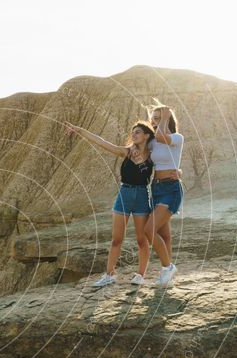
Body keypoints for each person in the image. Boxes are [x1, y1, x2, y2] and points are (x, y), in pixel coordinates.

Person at [65, 120, 155, 286]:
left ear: (146, 136)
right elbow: (102, 142)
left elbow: (169, 156)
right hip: (124, 194)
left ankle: (140, 275)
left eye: (137, 132)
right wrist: (80, 130)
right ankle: (110, 274)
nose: (133, 135)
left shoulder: (153, 154)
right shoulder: (127, 152)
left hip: (142, 195)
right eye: (132, 132)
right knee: (116, 239)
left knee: (142, 239)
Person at [145, 100, 184, 287]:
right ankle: (166, 275)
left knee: (148, 230)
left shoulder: (177, 138)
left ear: (167, 119)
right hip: (156, 188)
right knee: (164, 235)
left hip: (171, 189)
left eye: (158, 119)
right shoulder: (152, 142)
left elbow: (162, 135)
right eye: (152, 119)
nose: (154, 123)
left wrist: (165, 115)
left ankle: (168, 267)